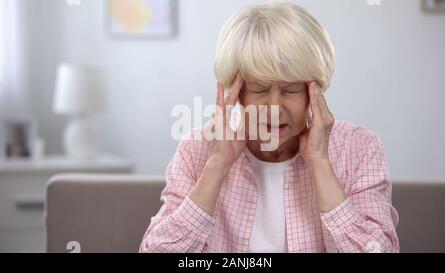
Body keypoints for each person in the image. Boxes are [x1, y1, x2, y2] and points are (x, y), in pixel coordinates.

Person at [140, 1, 399, 253]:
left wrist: (320, 163)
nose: (274, 107)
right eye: (258, 89)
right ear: (236, 92)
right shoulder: (196, 149)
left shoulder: (359, 148)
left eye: (291, 89)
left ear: (315, 90)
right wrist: (217, 166)